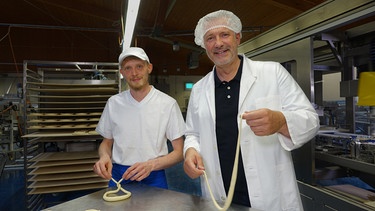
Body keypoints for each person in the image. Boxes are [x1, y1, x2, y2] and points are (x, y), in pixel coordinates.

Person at [183, 10, 319, 210]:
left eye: (225, 35)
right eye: (210, 38)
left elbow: (311, 120)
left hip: (270, 193)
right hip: (219, 192)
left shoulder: (272, 73)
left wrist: (281, 121)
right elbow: (193, 133)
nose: (218, 43)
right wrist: (190, 151)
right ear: (204, 46)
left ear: (238, 37)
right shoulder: (199, 89)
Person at [93, 47, 185, 189]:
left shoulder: (167, 104)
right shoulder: (113, 103)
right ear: (122, 72)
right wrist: (104, 156)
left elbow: (179, 152)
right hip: (120, 175)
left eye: (139, 67)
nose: (134, 73)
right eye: (128, 68)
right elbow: (106, 143)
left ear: (149, 68)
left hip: (153, 173)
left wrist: (151, 165)